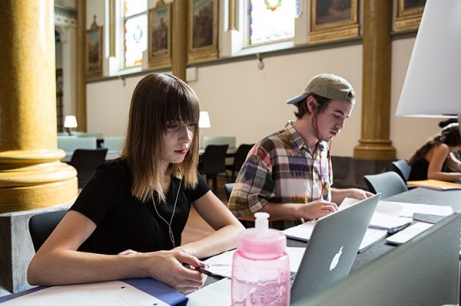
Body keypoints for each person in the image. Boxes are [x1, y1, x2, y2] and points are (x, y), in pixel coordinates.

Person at [27, 73, 244, 292]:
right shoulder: (112, 178)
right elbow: (40, 267)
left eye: (191, 125)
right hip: (114, 293)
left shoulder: (184, 173)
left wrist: (182, 253)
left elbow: (235, 229)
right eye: (172, 125)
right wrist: (145, 263)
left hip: (160, 292)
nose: (186, 137)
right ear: (146, 126)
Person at [228, 73, 373, 230]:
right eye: (336, 115)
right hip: (281, 246)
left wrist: (350, 194)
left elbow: (318, 199)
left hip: (313, 241)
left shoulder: (322, 149)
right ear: (312, 105)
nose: (341, 125)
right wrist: (301, 211)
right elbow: (239, 209)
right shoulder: (269, 148)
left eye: (345, 118)